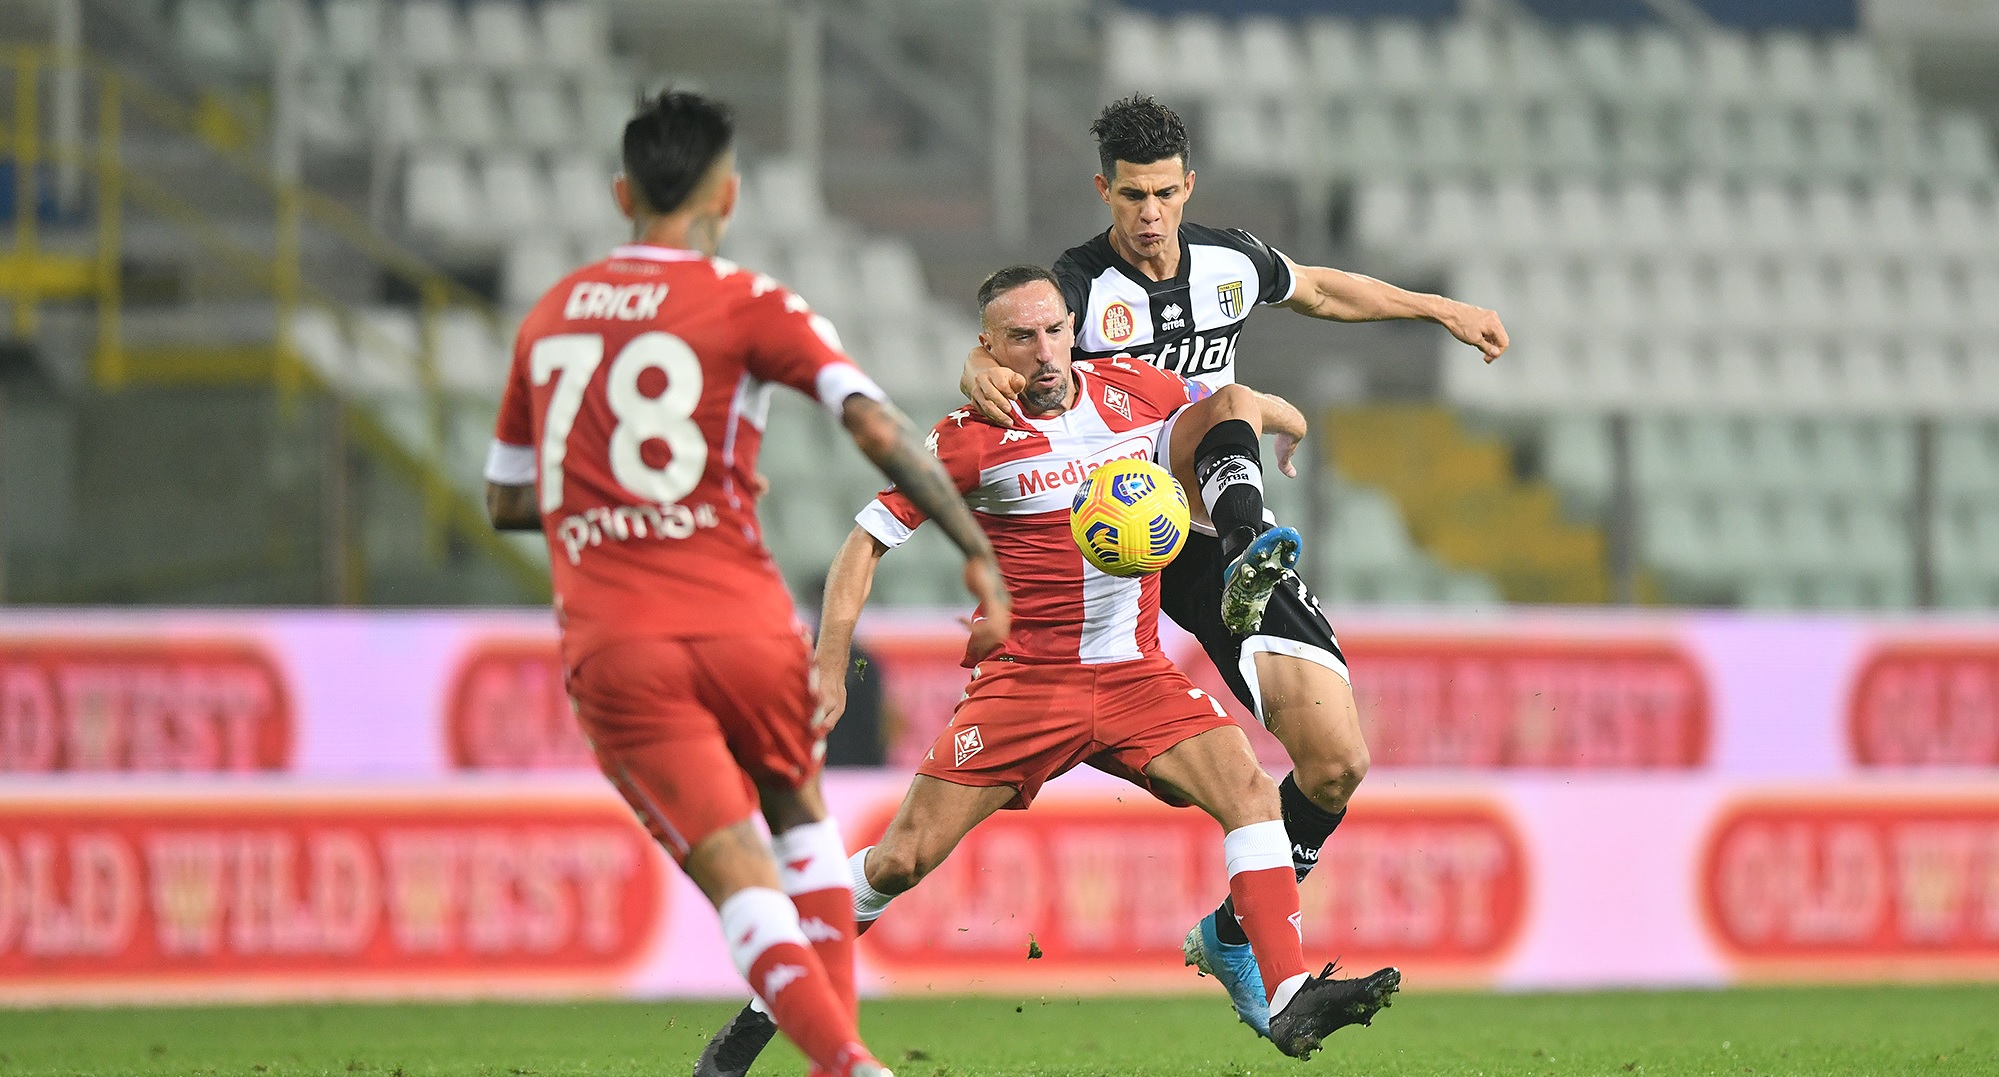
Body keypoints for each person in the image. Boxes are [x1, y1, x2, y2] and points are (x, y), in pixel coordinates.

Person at [693, 267, 1399, 1077]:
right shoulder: (968, 435)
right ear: (986, 347)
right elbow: (862, 542)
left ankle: (1286, 997)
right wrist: (826, 664)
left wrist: (1284, 417)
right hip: (1026, 689)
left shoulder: (1136, 390)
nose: (1045, 351)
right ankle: (755, 1019)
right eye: (1020, 338)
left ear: (1074, 327)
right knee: (898, 861)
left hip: (1137, 677)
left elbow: (1222, 406)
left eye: (1056, 329)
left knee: (1247, 790)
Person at [955, 95, 1510, 1036]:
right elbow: (1014, 363)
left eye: (1165, 193)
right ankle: (1254, 546)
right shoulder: (1078, 289)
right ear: (1104, 190)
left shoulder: (1229, 260)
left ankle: (1228, 933)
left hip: (1211, 535)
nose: (1148, 214)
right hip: (1124, 550)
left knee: (1335, 764)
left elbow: (1325, 291)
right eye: (1130, 195)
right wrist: (974, 374)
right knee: (1234, 400)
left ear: (1187, 186)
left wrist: (1435, 306)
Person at [483, 89, 1009, 1077]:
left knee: (741, 883)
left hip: (620, 644)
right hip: (746, 624)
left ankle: (850, 1068)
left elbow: (506, 500)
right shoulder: (752, 302)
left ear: (619, 191)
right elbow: (879, 427)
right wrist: (974, 548)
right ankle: (839, 1059)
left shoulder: (549, 321)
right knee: (805, 836)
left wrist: (603, 500)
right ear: (726, 195)